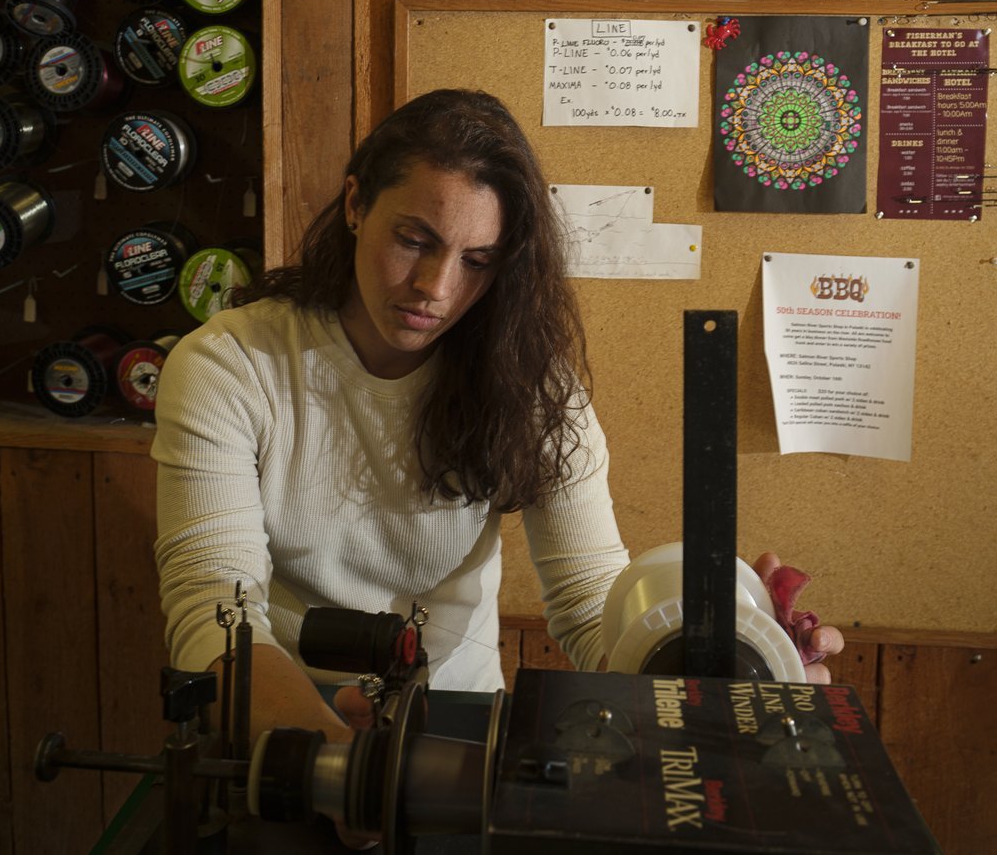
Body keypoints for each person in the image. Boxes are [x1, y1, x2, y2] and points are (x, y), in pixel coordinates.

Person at [152, 89, 843, 763]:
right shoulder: (230, 366)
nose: (437, 286)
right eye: (414, 239)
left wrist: (722, 650)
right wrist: (338, 760)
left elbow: (586, 601)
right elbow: (215, 605)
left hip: (457, 723)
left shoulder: (528, 383)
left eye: (477, 261)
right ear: (357, 204)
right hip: (281, 717)